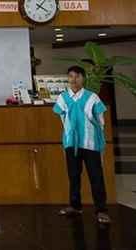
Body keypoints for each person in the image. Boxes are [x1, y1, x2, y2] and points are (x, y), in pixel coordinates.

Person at [54, 66, 110, 224]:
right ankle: (75, 206)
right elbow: (62, 120)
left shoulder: (92, 97)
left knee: (96, 177)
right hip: (71, 143)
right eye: (70, 76)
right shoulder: (63, 98)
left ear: (83, 78)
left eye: (77, 76)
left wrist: (94, 135)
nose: (73, 80)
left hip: (91, 143)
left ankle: (101, 210)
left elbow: (101, 121)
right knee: (73, 176)